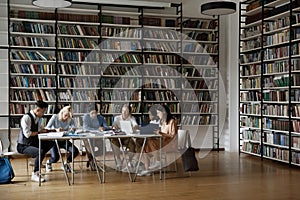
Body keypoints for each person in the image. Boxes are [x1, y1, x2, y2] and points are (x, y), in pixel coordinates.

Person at [17, 100, 54, 182]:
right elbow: (27, 134)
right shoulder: (26, 118)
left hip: (32, 143)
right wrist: (39, 132)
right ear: (38, 110)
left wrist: (52, 130)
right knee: (40, 152)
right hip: (23, 145)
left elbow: (41, 129)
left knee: (51, 143)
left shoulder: (37, 118)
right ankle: (35, 174)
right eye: (43, 112)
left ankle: (36, 160)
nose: (43, 114)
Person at [139, 104, 178, 176]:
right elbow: (162, 135)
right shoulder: (162, 122)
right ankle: (148, 170)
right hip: (162, 142)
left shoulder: (172, 121)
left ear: (164, 112)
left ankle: (158, 161)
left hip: (170, 144)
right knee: (143, 149)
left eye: (158, 113)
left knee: (150, 142)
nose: (157, 114)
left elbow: (173, 136)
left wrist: (160, 133)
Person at [45, 105, 79, 172]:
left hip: (64, 140)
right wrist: (56, 130)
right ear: (62, 112)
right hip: (54, 141)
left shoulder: (69, 119)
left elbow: (74, 128)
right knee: (55, 158)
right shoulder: (55, 117)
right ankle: (48, 162)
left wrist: (72, 129)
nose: (66, 118)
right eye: (66, 115)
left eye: (68, 116)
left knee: (75, 151)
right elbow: (47, 128)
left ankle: (66, 163)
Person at [111, 104, 139, 170]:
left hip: (127, 138)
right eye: (123, 110)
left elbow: (136, 125)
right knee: (113, 142)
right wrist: (114, 127)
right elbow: (113, 126)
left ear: (129, 112)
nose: (124, 112)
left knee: (132, 145)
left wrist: (135, 127)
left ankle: (130, 162)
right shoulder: (117, 118)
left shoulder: (131, 118)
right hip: (118, 137)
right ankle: (118, 160)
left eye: (126, 111)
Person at [83, 103, 110, 169]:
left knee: (103, 150)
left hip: (98, 138)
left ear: (97, 112)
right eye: (92, 113)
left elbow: (107, 126)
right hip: (88, 138)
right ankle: (92, 161)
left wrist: (104, 128)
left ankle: (90, 159)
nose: (94, 115)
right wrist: (97, 129)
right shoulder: (86, 117)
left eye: (95, 113)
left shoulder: (100, 117)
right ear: (89, 113)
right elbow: (86, 128)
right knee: (89, 146)